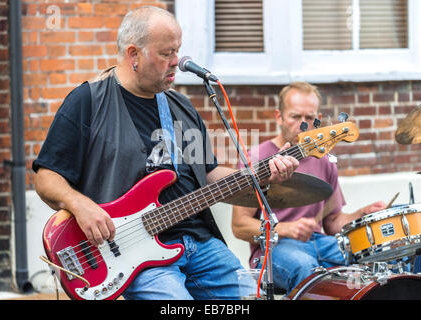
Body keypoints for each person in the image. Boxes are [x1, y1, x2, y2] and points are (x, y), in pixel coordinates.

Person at [32, 6, 299, 300]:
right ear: (133, 55)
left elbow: (209, 173)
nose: (177, 62)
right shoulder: (88, 102)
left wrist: (262, 173)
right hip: (135, 252)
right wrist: (80, 205)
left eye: (178, 51)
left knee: (252, 298)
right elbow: (46, 178)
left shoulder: (181, 107)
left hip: (198, 241)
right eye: (166, 53)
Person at [231, 82, 387, 295]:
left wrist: (361, 215)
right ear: (279, 116)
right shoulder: (256, 157)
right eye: (295, 117)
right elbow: (239, 226)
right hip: (275, 249)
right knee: (306, 269)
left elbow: (332, 222)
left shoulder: (324, 159)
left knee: (375, 258)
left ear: (318, 119)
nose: (302, 124)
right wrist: (285, 229)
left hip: (320, 242)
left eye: (309, 118)